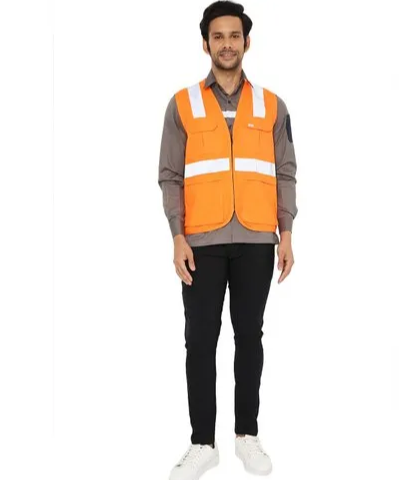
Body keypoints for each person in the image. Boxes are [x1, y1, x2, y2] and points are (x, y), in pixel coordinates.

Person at [158, 1, 298, 478]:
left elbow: (285, 172)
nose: (227, 44)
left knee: (249, 337)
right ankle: (203, 443)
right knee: (199, 340)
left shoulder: (272, 105)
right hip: (201, 240)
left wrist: (286, 233)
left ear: (247, 42)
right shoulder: (182, 104)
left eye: (234, 35)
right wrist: (177, 236)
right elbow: (170, 176)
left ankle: (246, 436)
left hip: (258, 238)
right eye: (217, 36)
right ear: (205, 44)